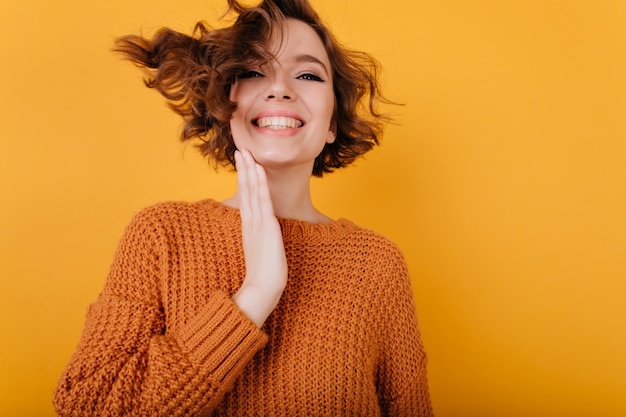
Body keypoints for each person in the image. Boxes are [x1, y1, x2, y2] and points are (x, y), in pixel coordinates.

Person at [53, 0, 433, 415]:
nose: (280, 88)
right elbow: (87, 406)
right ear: (225, 107)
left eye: (307, 74)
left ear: (332, 124)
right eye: (253, 72)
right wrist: (255, 295)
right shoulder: (161, 234)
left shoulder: (377, 264)